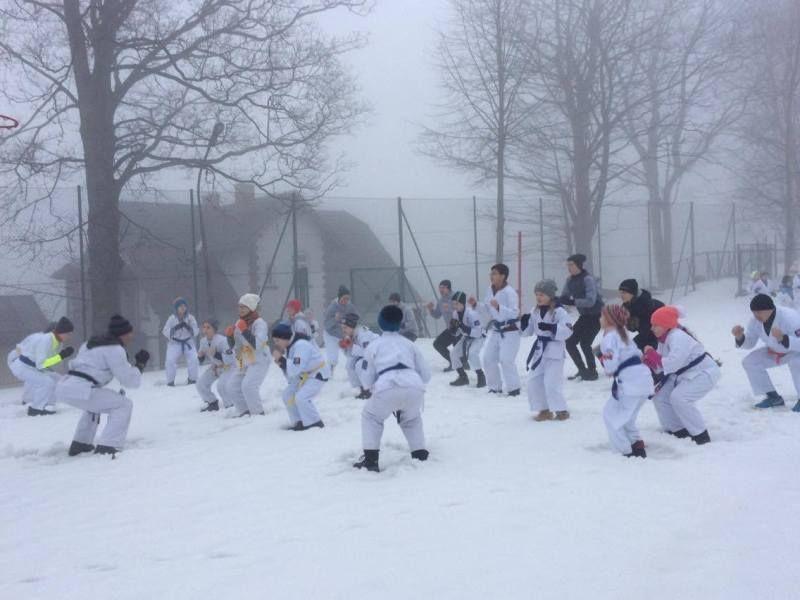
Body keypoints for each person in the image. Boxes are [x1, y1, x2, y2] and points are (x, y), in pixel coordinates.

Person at [55, 314, 149, 456]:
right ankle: (108, 446)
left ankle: (81, 444)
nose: (131, 335)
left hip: (66, 385)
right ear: (122, 334)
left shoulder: (89, 344)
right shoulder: (115, 349)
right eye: (130, 332)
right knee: (124, 404)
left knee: (94, 405)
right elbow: (130, 381)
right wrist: (140, 365)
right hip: (81, 387)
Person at [353, 305, 431, 473]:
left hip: (387, 386)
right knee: (411, 420)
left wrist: (372, 388)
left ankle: (371, 460)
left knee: (371, 416)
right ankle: (419, 453)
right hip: (414, 387)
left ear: (380, 323)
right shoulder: (410, 345)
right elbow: (426, 375)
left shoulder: (374, 346)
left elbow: (366, 378)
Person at [642, 306, 719, 445]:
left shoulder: (678, 336)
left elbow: (673, 363)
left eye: (655, 325)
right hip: (683, 374)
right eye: (652, 324)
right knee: (660, 396)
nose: (652, 328)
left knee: (680, 397)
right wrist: (649, 360)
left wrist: (653, 355)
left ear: (666, 325)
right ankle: (678, 430)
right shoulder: (663, 339)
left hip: (703, 372)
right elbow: (661, 367)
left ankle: (701, 435)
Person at [597, 304, 653, 458]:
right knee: (627, 416)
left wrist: (605, 363)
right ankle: (636, 444)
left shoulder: (609, 338)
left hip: (630, 383)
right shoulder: (625, 335)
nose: (600, 319)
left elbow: (611, 364)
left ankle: (625, 452)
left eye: (602, 316)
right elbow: (638, 354)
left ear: (609, 320)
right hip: (643, 380)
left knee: (611, 416)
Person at [732, 293, 800, 412]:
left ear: (770, 309)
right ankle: (773, 397)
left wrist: (784, 338)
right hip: (775, 352)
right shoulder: (755, 321)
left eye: (759, 312)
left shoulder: (790, 317)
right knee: (750, 361)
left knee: (796, 363)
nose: (756, 315)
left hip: (795, 351)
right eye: (754, 312)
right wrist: (740, 337)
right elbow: (750, 342)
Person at [520, 280, 572, 421]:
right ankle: (544, 410)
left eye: (542, 294)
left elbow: (568, 330)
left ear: (550, 295)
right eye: (537, 294)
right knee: (533, 381)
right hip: (539, 351)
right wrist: (523, 323)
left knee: (551, 383)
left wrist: (551, 328)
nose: (538, 297)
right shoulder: (534, 311)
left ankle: (561, 410)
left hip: (554, 351)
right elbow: (528, 332)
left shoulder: (559, 311)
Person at [7, 317, 74, 416]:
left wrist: (61, 355)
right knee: (45, 382)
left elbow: (46, 362)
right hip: (22, 366)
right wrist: (61, 356)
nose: (70, 336)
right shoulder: (45, 339)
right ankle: (35, 409)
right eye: (68, 333)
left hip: (31, 366)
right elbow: (41, 364)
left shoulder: (56, 342)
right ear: (61, 332)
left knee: (54, 379)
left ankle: (48, 405)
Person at [472, 264, 520, 396]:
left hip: (510, 331)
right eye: (491, 273)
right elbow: (487, 309)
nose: (491, 276)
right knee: (488, 358)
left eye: (494, 273)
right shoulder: (490, 290)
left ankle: (514, 389)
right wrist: (476, 305)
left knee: (506, 359)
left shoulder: (510, 292)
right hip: (496, 330)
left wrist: (499, 307)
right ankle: (494, 387)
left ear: (503, 276)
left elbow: (515, 313)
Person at [271, 323, 328, 431]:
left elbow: (296, 368)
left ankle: (315, 423)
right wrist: (282, 364)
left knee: (301, 397)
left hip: (317, 374)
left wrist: (282, 360)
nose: (276, 344)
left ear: (284, 338)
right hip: (304, 375)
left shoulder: (301, 345)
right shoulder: (290, 346)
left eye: (277, 341)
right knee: (287, 395)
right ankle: (299, 421)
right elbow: (292, 373)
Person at [559, 253, 604, 381]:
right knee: (570, 342)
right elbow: (564, 295)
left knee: (585, 343)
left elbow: (591, 300)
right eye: (568, 265)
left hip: (596, 316)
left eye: (571, 265)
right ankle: (583, 370)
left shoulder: (588, 279)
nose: (569, 268)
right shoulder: (570, 280)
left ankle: (592, 371)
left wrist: (573, 302)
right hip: (584, 316)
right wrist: (558, 300)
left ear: (579, 265)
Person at [225, 293, 270, 417]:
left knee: (248, 386)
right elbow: (237, 347)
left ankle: (258, 413)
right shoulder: (240, 322)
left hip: (260, 359)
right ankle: (245, 412)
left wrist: (244, 330)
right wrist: (230, 338)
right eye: (239, 307)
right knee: (231, 386)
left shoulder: (260, 323)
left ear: (251, 308)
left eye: (243, 307)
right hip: (246, 358)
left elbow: (258, 344)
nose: (240, 310)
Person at [196, 319, 236, 412]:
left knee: (221, 386)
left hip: (229, 367)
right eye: (204, 327)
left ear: (214, 329)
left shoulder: (223, 340)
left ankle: (230, 406)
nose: (205, 330)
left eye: (208, 327)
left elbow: (231, 359)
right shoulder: (203, 341)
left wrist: (216, 354)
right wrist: (200, 356)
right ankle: (212, 403)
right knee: (200, 384)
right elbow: (201, 360)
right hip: (216, 367)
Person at [449, 291, 486, 388]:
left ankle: (481, 376)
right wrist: (453, 329)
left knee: (472, 353)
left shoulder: (472, 314)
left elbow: (478, 332)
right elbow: (457, 332)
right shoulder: (455, 313)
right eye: (453, 304)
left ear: (463, 303)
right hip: (466, 337)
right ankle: (463, 377)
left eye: (457, 303)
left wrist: (462, 326)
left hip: (479, 338)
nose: (455, 306)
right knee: (453, 354)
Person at [340, 313, 379, 399]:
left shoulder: (363, 334)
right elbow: (351, 355)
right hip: (368, 357)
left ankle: (368, 389)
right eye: (342, 328)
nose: (343, 330)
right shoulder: (352, 334)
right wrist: (345, 348)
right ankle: (360, 388)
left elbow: (368, 352)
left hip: (378, 357)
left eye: (345, 328)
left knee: (360, 365)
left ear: (351, 326)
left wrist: (352, 346)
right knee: (349, 364)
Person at [162, 297, 199, 386]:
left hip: (188, 342)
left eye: (184, 306)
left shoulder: (190, 318)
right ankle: (170, 381)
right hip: (174, 343)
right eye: (180, 306)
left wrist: (189, 328)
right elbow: (165, 331)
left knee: (193, 359)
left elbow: (196, 331)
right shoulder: (171, 318)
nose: (183, 308)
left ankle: (192, 379)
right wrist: (174, 329)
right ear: (176, 308)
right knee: (170, 361)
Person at [618, 278, 663, 351]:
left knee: (634, 353)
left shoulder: (646, 304)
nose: (621, 295)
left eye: (624, 292)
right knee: (629, 351)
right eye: (620, 292)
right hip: (645, 336)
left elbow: (648, 328)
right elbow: (633, 329)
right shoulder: (626, 307)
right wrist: (628, 322)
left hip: (658, 337)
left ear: (632, 293)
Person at [323, 285, 359, 373]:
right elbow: (326, 324)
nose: (345, 301)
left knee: (351, 353)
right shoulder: (332, 307)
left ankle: (355, 370)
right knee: (333, 357)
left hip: (343, 334)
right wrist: (334, 319)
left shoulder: (350, 306)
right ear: (339, 297)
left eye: (347, 299)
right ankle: (329, 373)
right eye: (344, 298)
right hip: (331, 334)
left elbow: (356, 317)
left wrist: (350, 321)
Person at [426, 280, 458, 371]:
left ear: (448, 288)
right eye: (439, 288)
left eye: (443, 288)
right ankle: (454, 362)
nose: (440, 290)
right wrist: (431, 309)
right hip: (450, 328)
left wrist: (449, 308)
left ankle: (464, 365)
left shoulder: (456, 297)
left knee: (458, 349)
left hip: (459, 326)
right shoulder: (441, 301)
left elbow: (462, 312)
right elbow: (437, 315)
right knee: (437, 344)